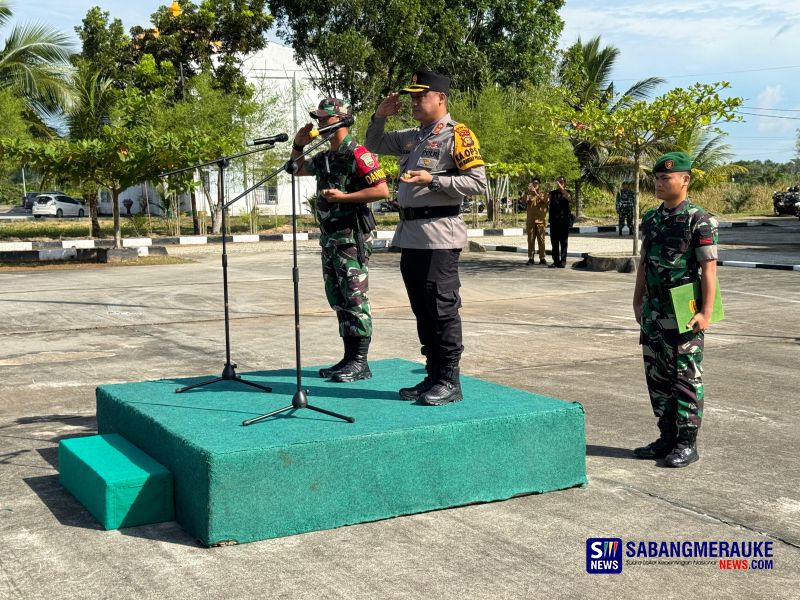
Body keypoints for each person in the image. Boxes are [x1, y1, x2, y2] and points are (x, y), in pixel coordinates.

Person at [365, 69, 487, 405]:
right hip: (411, 235)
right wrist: (379, 116)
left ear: (441, 98)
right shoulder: (412, 136)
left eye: (422, 96)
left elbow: (478, 184)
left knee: (442, 308)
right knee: (423, 308)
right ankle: (433, 374)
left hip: (440, 236)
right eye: (413, 97)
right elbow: (372, 144)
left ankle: (450, 380)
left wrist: (434, 181)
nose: (415, 102)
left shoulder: (457, 136)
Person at [291, 97, 390, 382]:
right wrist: (298, 145)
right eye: (318, 119)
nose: (320, 123)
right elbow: (296, 169)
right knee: (338, 298)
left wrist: (345, 198)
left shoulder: (359, 153)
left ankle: (360, 362)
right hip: (331, 238)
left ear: (341, 119)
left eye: (325, 119)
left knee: (355, 297)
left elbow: (382, 191)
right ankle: (349, 358)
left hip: (351, 237)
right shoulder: (325, 157)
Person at [632, 151, 718, 468]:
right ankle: (666, 437)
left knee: (685, 379)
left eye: (666, 177)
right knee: (657, 377)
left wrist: (705, 312)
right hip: (654, 312)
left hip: (684, 311)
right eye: (656, 178)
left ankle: (686, 442)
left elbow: (709, 269)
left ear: (685, 179)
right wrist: (637, 300)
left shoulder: (700, 220)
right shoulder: (652, 220)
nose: (659, 183)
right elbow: (644, 263)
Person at [547, 176, 572, 268]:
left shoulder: (568, 192)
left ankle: (563, 261)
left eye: (561, 182)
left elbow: (569, 198)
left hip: (564, 221)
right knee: (554, 243)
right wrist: (547, 190)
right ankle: (556, 261)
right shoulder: (552, 193)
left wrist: (561, 188)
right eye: (557, 182)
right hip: (554, 221)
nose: (559, 183)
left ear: (564, 183)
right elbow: (546, 201)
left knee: (563, 242)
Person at [524, 177, 548, 265]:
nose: (535, 184)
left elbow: (545, 201)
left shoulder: (543, 193)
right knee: (530, 240)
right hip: (530, 221)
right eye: (533, 183)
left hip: (540, 222)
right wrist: (527, 192)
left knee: (541, 241)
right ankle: (531, 258)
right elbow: (524, 201)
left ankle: (542, 258)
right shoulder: (528, 193)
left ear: (539, 184)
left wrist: (536, 194)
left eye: (536, 183)